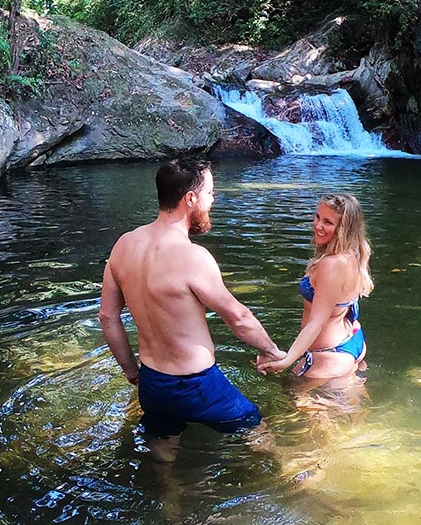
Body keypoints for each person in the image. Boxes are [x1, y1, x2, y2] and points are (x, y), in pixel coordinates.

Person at [99, 158, 285, 443]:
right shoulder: (192, 257)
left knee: (164, 458)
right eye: (210, 193)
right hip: (196, 384)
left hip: (152, 383)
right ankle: (294, 479)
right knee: (257, 430)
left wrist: (131, 371)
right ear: (190, 199)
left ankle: (170, 488)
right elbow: (238, 317)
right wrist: (272, 352)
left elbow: (108, 316)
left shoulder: (123, 245)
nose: (213, 200)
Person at [258, 193, 373, 379]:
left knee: (291, 403)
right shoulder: (354, 255)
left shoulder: (331, 264)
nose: (318, 225)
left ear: (343, 229)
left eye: (328, 222)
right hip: (352, 339)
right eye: (317, 217)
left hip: (330, 355)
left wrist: (287, 361)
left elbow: (317, 322)